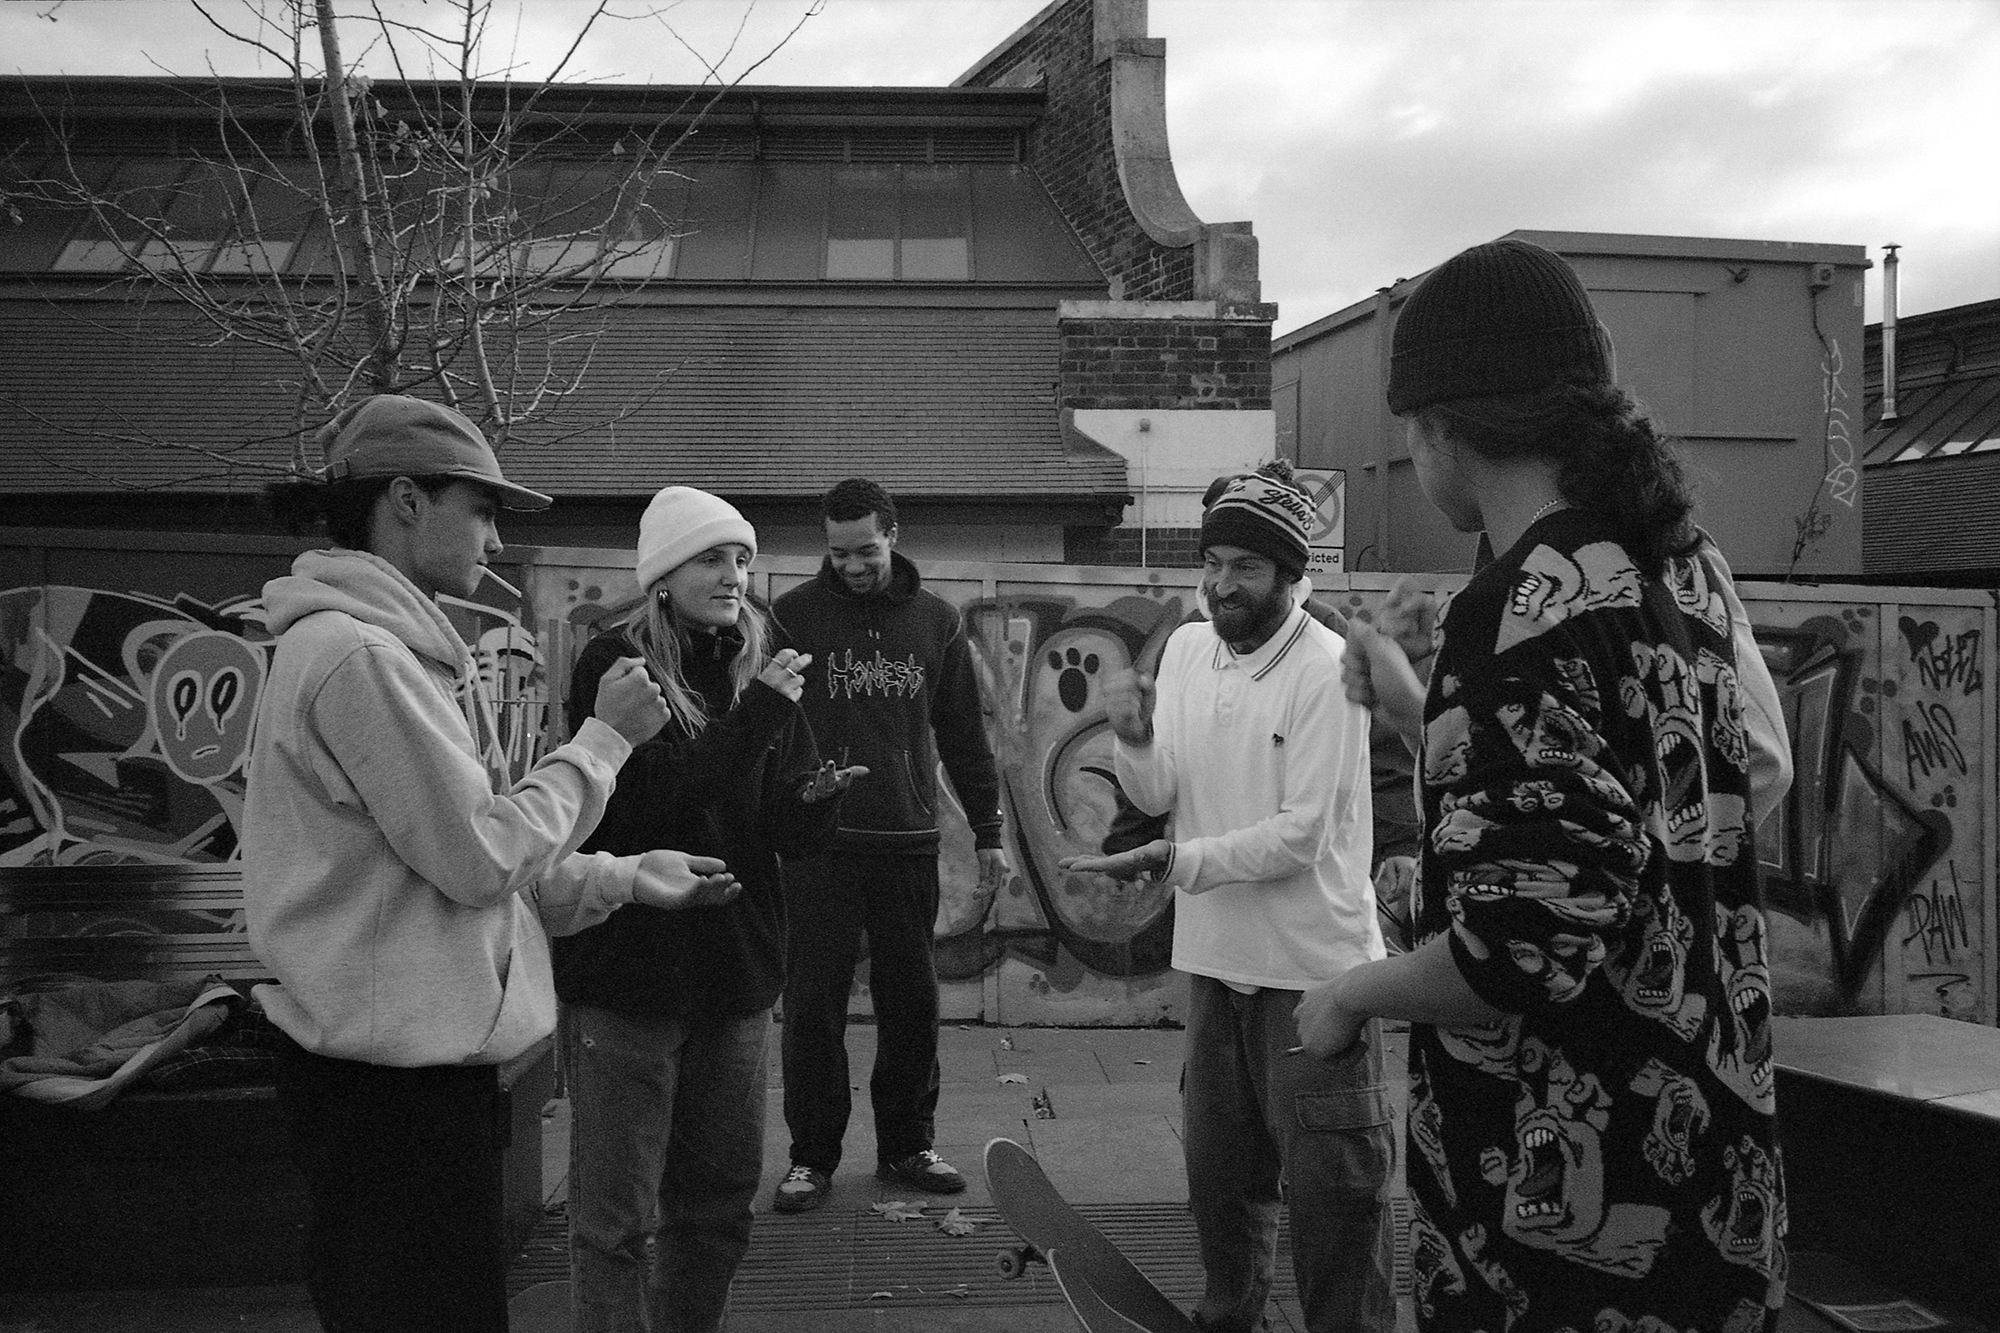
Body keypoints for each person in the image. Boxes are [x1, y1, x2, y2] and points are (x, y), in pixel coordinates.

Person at [1295, 238, 1789, 1332]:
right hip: (1707, 1192)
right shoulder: (1678, 569)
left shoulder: (1512, 613)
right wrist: (1421, 714)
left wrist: (1348, 994)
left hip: (1558, 1248)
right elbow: (1651, 805)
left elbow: (1513, 953)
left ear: (1436, 427)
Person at [244, 394, 737, 1332]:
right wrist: (602, 744)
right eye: (483, 507)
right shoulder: (357, 656)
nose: (497, 538)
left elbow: (472, 869)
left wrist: (628, 876)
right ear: (405, 500)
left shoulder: (398, 652)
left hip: (415, 1090)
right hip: (391, 1100)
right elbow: (479, 856)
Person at [1060, 461, 1397, 1333]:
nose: (1219, 584)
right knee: (1220, 1193)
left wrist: (1176, 862)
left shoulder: (1328, 669)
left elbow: (1303, 834)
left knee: (1336, 1206)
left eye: (1244, 566)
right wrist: (1133, 739)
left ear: (1290, 572)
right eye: (1211, 561)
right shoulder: (1184, 647)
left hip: (1313, 975)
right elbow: (1161, 785)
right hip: (1214, 965)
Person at [552, 486, 864, 1333]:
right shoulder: (616, 669)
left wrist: (814, 799)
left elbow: (777, 828)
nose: (735, 576)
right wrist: (761, 711)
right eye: (713, 557)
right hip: (626, 979)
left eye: (742, 559)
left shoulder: (756, 657)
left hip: (733, 974)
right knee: (616, 1222)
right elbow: (644, 808)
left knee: (719, 1206)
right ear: (662, 573)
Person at [771, 477, 1011, 1212]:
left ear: (894, 533)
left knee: (913, 1003)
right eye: (838, 552)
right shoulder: (792, 616)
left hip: (907, 841)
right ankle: (811, 1157)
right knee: (813, 1008)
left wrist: (990, 834)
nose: (851, 565)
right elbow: (768, 729)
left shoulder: (936, 621)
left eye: (865, 550)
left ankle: (908, 1143)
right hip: (820, 846)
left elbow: (965, 737)